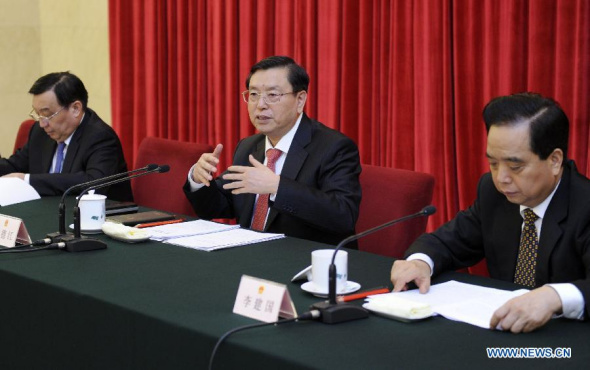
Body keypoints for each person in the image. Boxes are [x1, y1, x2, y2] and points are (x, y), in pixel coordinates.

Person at [390, 92, 589, 333]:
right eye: (493, 163)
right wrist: (420, 262)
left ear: (555, 160)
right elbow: (449, 241)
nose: (501, 178)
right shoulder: (495, 194)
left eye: (515, 166)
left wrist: (554, 296)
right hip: (502, 333)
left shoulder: (584, 205)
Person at [184, 56, 361, 246]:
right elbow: (218, 207)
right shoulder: (249, 146)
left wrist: (278, 187)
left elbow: (343, 216)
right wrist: (197, 179)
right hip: (250, 256)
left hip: (302, 260)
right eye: (253, 94)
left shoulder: (334, 147)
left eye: (273, 95)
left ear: (300, 100)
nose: (260, 104)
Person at [0, 72, 132, 201]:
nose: (42, 123)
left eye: (47, 114)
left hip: (101, 218)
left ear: (75, 108)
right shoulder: (40, 132)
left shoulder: (101, 137)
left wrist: (28, 180)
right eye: (37, 114)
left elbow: (92, 184)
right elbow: (14, 166)